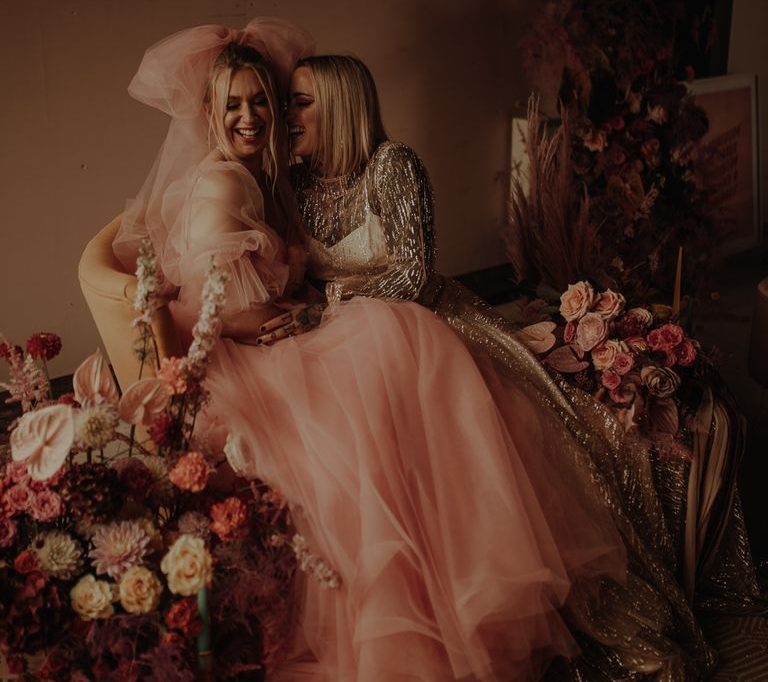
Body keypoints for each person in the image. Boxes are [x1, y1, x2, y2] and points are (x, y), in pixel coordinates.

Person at [114, 20, 637, 682]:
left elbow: (412, 272)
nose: (262, 116)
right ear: (212, 114)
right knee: (373, 380)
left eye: (276, 101)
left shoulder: (378, 166)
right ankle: (402, 602)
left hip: (383, 311)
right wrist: (306, 314)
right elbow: (234, 303)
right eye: (240, 105)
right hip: (288, 335)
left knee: (409, 359)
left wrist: (314, 310)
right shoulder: (253, 183)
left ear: (332, 104)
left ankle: (455, 574)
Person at [286, 54, 762, 679]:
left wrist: (331, 311)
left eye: (301, 102)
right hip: (341, 342)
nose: (287, 116)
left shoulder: (391, 165)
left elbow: (413, 273)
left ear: (341, 103)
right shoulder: (293, 183)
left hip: (420, 328)